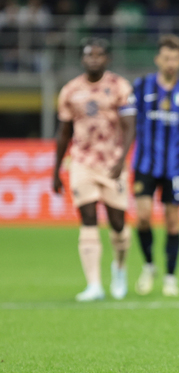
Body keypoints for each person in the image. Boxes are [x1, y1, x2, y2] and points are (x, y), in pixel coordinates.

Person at [53, 37, 136, 302]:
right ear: (82, 58)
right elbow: (64, 132)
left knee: (118, 223)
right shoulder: (70, 90)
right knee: (87, 217)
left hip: (112, 162)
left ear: (106, 59)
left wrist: (121, 159)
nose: (94, 59)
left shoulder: (119, 86)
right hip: (81, 162)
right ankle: (94, 285)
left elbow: (129, 126)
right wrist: (55, 170)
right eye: (89, 55)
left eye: (99, 55)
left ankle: (120, 267)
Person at [132, 34, 179, 297]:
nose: (171, 63)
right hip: (144, 163)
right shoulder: (141, 87)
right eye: (166, 58)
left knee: (173, 223)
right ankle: (149, 265)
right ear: (158, 59)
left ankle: (170, 276)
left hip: (175, 166)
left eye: (175, 58)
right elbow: (127, 122)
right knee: (143, 218)